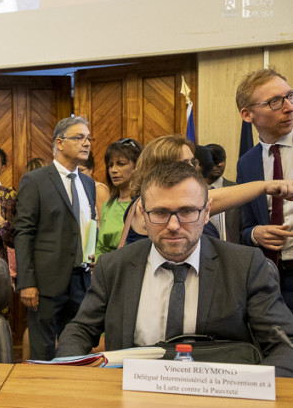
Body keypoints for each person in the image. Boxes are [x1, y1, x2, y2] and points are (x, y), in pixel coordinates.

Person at [56, 161, 293, 378]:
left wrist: (254, 390)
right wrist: (72, 377)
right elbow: (80, 330)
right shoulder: (114, 266)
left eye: (187, 211)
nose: (173, 226)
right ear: (142, 214)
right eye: (160, 213)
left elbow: (285, 345)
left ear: (207, 211)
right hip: (129, 397)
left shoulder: (245, 265)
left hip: (220, 402)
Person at [14, 116, 96, 361]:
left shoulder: (89, 183)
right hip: (45, 283)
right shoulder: (36, 180)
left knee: (77, 349)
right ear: (59, 143)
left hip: (81, 281)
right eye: (79, 137)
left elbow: (87, 225)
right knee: (43, 351)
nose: (86, 143)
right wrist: (27, 282)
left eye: (88, 138)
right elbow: (24, 232)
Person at [124, 135, 293, 247]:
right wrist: (266, 186)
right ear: (162, 167)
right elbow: (213, 199)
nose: (193, 168)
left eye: (193, 162)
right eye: (185, 163)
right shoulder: (144, 203)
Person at [236, 68, 293, 308]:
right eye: (275, 102)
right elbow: (243, 227)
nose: (289, 107)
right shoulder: (246, 163)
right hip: (273, 279)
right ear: (248, 114)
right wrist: (255, 233)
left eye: (290, 96)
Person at [95, 138, 141, 258]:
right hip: (106, 270)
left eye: (121, 164)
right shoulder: (108, 205)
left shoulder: (143, 204)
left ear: (137, 167)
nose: (113, 170)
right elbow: (101, 246)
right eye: (110, 165)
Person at [195, 144, 238, 243]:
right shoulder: (191, 192)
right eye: (214, 159)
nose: (220, 164)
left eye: (222, 159)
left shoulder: (236, 190)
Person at [77, 153, 109, 220]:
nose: (77, 174)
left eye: (80, 170)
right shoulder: (77, 189)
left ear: (90, 170)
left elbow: (105, 221)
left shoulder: (99, 189)